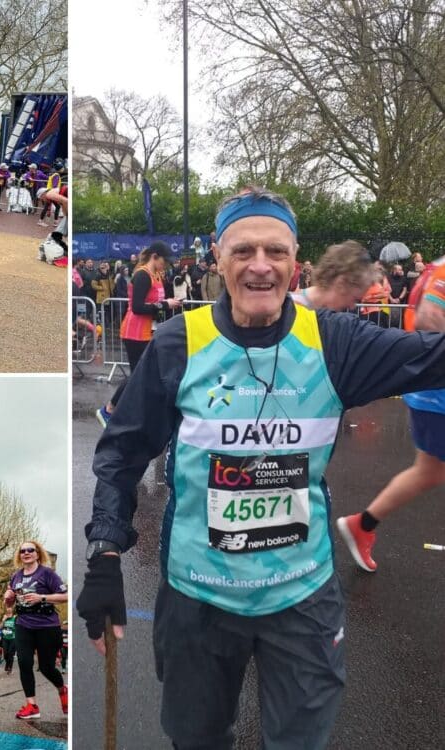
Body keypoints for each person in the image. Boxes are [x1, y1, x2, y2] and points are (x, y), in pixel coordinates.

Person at [76, 186, 445, 750]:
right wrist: (104, 550)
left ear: (295, 262)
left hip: (301, 594)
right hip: (196, 594)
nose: (260, 266)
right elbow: (122, 453)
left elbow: (432, 356)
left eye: (275, 252)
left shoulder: (332, 341)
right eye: (243, 251)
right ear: (218, 258)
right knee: (196, 739)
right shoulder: (180, 343)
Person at [337, 256, 445, 572]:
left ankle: (363, 525)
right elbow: (430, 318)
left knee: (429, 471)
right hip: (436, 392)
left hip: (430, 390)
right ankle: (362, 525)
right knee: (429, 471)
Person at [95, 241, 181, 427]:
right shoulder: (142, 275)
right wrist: (166, 304)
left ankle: (140, 413)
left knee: (149, 374)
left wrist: (167, 304)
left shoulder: (156, 275)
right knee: (138, 375)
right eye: (164, 262)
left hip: (148, 332)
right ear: (155, 257)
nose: (165, 266)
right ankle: (109, 409)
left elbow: (154, 304)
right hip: (134, 332)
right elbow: (138, 307)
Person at [4, 540, 68, 720]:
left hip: (47, 625)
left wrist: (42, 597)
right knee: (24, 662)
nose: (26, 553)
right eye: (23, 550)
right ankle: (31, 705)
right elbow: (9, 602)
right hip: (23, 624)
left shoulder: (47, 574)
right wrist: (8, 598)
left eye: (30, 550)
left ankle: (62, 689)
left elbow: (65, 596)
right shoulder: (15, 577)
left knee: (47, 667)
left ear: (37, 554)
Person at [291, 240, 374, 312]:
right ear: (341, 284)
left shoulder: (325, 316)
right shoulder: (291, 309)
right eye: (354, 299)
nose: (352, 306)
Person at [0, 607, 17, 675]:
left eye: (10, 607)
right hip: (5, 638)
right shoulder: (4, 617)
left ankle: (10, 667)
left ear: (12, 609)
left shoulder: (15, 618)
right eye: (7, 607)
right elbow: (0, 627)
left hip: (13, 638)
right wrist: (3, 620)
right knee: (5, 654)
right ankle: (7, 663)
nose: (8, 609)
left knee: (10, 653)